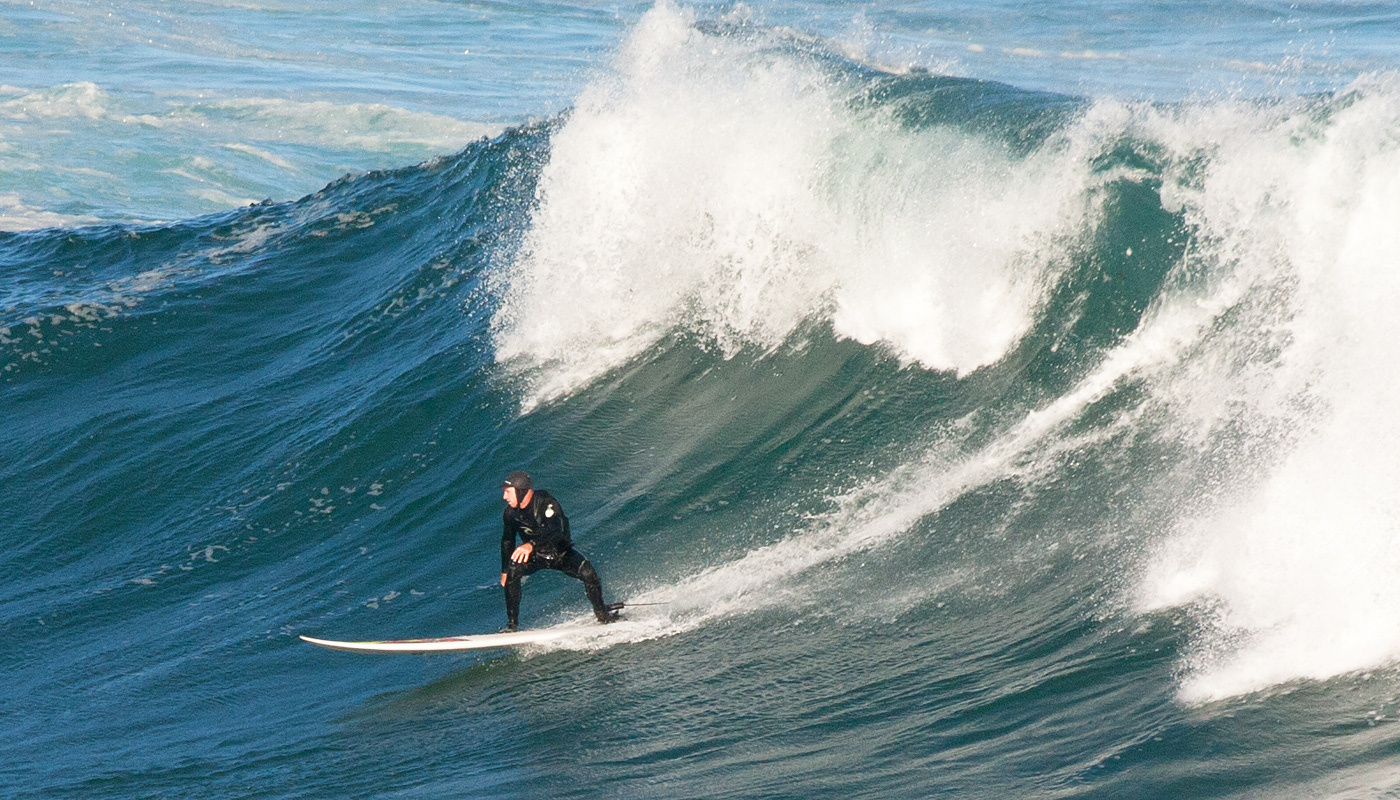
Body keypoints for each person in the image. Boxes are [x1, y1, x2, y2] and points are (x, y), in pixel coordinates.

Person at [499, 470, 617, 631]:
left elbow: (555, 529)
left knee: (589, 575)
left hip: (561, 553)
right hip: (536, 556)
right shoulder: (510, 513)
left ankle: (602, 614)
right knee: (513, 571)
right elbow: (507, 540)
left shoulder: (546, 502)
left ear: (521, 491)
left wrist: (530, 544)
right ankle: (512, 625)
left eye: (507, 492)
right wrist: (505, 570)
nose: (504, 497)